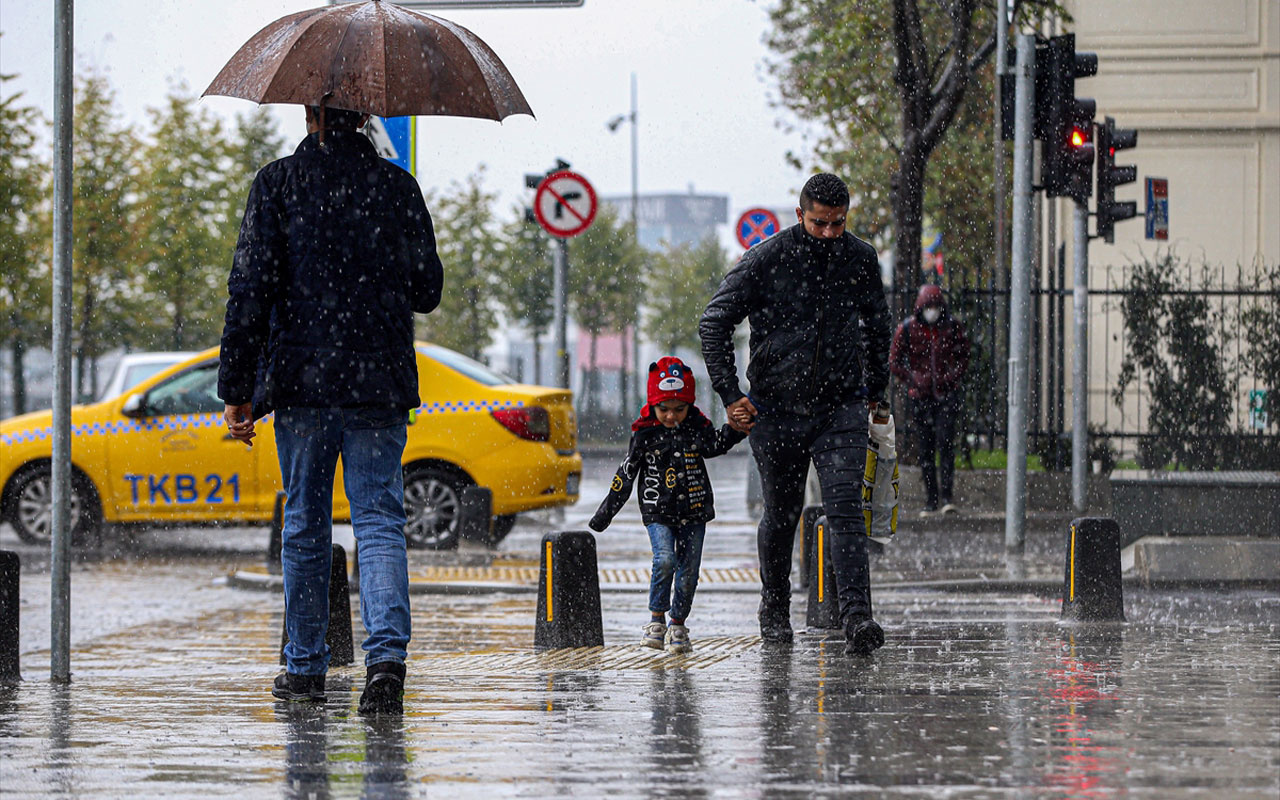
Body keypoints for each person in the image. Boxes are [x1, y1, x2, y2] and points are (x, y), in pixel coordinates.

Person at [218, 104, 443, 715]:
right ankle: (386, 665)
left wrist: (237, 385)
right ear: (366, 115)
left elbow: (249, 289)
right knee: (378, 519)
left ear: (312, 114)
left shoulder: (278, 183)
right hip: (379, 383)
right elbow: (429, 290)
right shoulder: (397, 187)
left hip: (302, 384)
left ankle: (304, 669)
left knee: (305, 524)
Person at [699, 172, 892, 657]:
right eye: (819, 224)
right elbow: (714, 321)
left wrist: (875, 390)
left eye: (838, 224)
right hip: (776, 408)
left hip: (840, 406)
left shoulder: (860, 259)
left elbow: (878, 322)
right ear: (799, 213)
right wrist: (730, 393)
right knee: (781, 516)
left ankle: (857, 618)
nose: (829, 233)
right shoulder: (767, 259)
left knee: (847, 509)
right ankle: (774, 608)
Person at [588, 357, 746, 654]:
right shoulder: (644, 433)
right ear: (652, 405)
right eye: (664, 409)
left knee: (689, 571)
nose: (671, 416)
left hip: (695, 511)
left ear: (689, 406)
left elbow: (714, 445)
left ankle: (678, 624)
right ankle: (656, 619)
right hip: (657, 511)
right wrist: (604, 515)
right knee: (665, 560)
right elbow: (626, 473)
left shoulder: (697, 428)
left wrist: (736, 429)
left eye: (679, 409)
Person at [889, 284, 970, 515]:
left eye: (935, 307)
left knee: (945, 445)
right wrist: (914, 379)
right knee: (925, 450)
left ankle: (946, 496)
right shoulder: (907, 330)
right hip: (921, 398)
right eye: (928, 307)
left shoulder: (951, 328)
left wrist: (950, 378)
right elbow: (895, 361)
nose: (932, 311)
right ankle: (931, 499)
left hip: (945, 396)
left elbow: (964, 355)